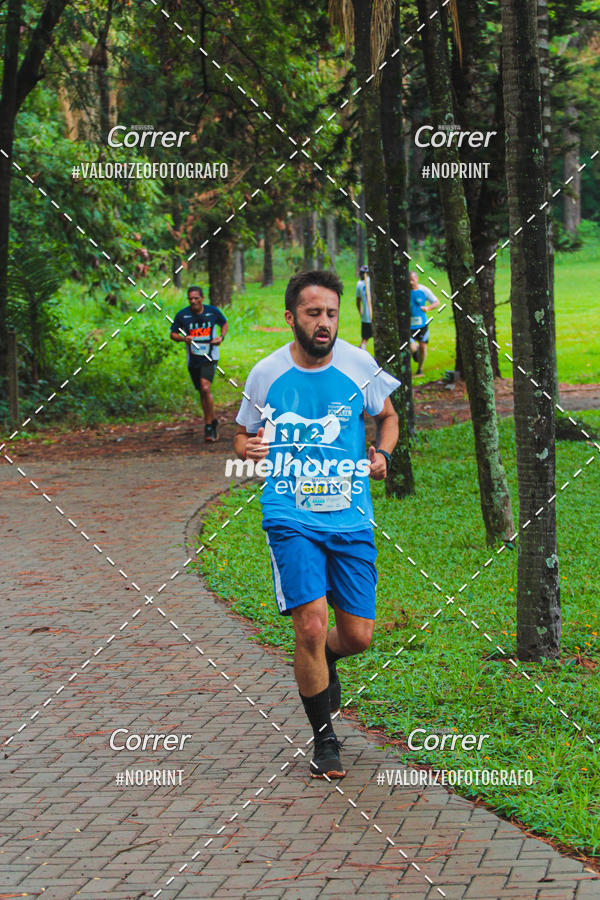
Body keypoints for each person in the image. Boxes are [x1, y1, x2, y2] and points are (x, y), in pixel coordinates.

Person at [234, 270, 400, 779]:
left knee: (357, 636)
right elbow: (241, 439)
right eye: (313, 313)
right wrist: (251, 448)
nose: (323, 323)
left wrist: (382, 454)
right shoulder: (266, 374)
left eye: (331, 313)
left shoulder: (359, 365)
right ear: (291, 318)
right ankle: (324, 740)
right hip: (290, 513)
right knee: (310, 623)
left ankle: (326, 659)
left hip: (350, 516)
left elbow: (387, 417)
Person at [170, 285, 228, 441]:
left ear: (202, 298)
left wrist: (220, 338)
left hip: (210, 357)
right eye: (190, 299)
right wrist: (184, 338)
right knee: (202, 392)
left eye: (196, 298)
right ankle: (211, 420)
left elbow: (224, 323)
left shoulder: (212, 312)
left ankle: (209, 426)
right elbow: (173, 334)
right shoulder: (183, 315)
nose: (193, 301)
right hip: (193, 359)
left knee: (205, 387)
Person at [409, 271, 440, 376]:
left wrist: (428, 308)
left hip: (422, 324)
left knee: (422, 347)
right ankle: (415, 354)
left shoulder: (424, 290)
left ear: (416, 278)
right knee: (412, 347)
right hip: (409, 325)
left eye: (412, 280)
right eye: (409, 280)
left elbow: (436, 302)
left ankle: (420, 370)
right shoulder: (404, 291)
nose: (411, 282)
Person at [355, 265, 373, 350]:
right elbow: (358, 301)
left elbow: (358, 302)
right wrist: (361, 312)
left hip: (372, 315)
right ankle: (362, 352)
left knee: (365, 338)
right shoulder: (359, 284)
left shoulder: (371, 281)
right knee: (365, 338)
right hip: (366, 317)